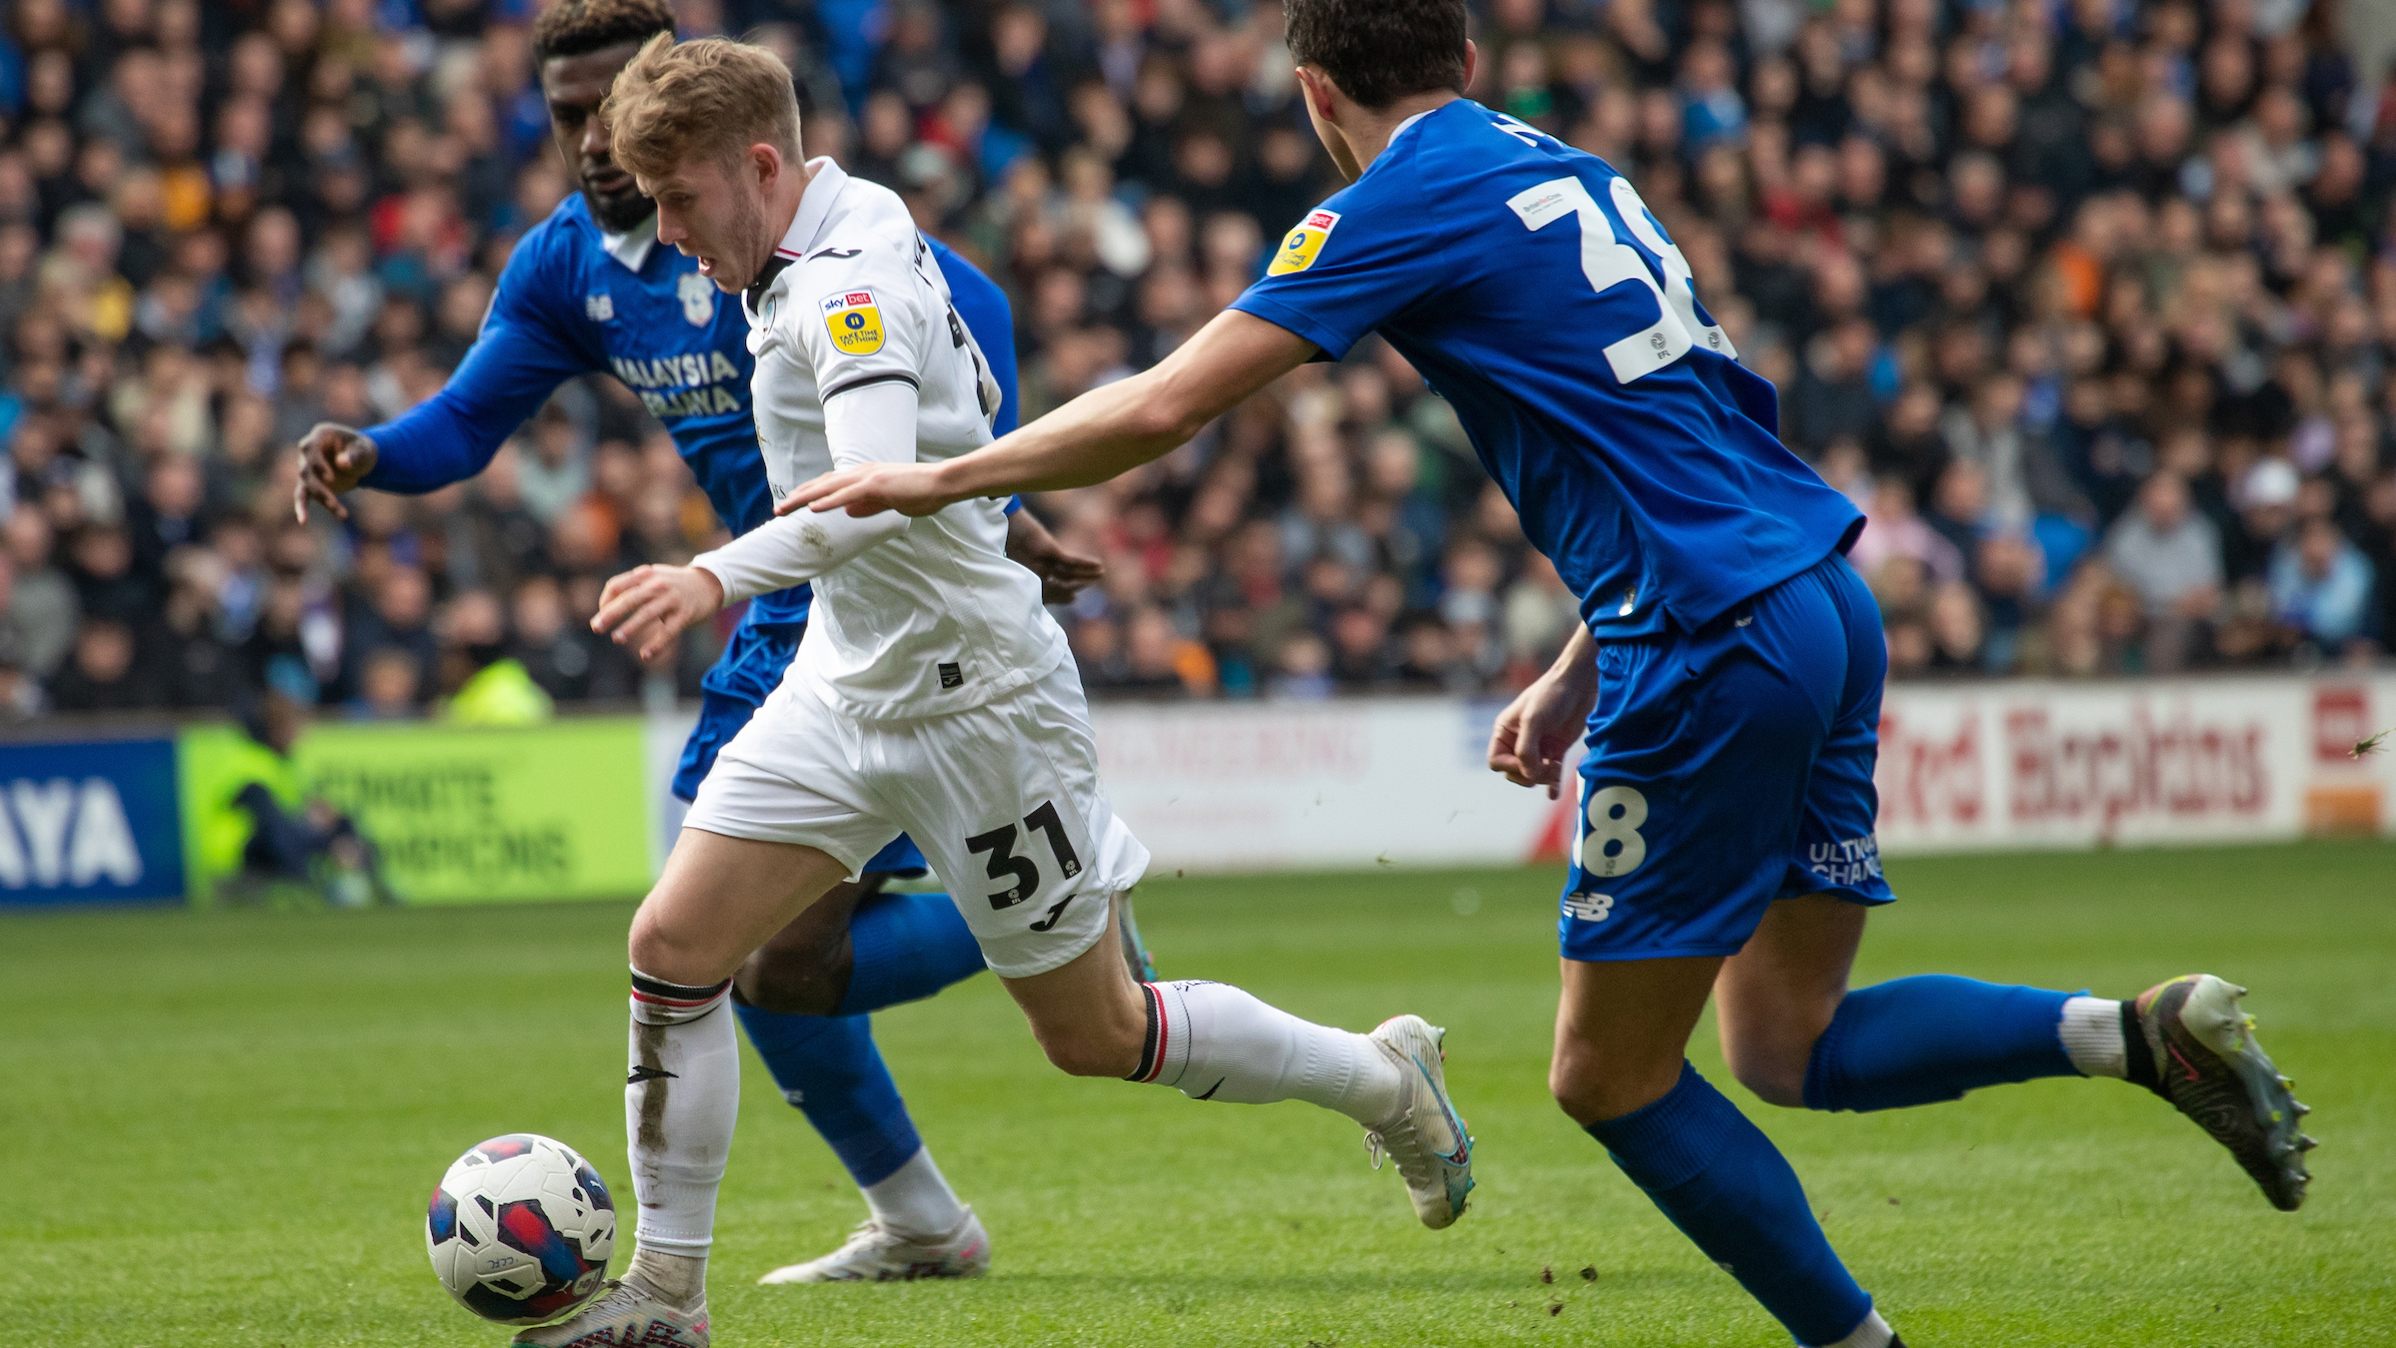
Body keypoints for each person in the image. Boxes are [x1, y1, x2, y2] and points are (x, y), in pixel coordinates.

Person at [784, 3, 2316, 1345]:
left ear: (1319, 97)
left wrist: (942, 480)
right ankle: (2134, 1036)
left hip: (1709, 642)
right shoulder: (1574, 167)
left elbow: (1172, 403)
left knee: (1606, 1080)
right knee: (1790, 1047)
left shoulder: (1396, 196)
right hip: (1816, 597)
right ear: (1469, 55)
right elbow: (1703, 425)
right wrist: (1584, 656)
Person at [511, 34, 1476, 1348]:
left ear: (757, 163)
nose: (666, 230)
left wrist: (709, 573)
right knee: (674, 952)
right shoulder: (824, 223)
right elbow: (939, 437)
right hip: (845, 685)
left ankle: (1382, 1079)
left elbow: (863, 492)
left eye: (679, 198)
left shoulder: (845, 285)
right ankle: (668, 1301)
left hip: (979, 710)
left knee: (1098, 1033)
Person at [289, 0, 1108, 1287]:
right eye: (569, 115)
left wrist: (993, 505)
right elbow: (468, 417)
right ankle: (925, 1203)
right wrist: (374, 453)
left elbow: (964, 319)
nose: (596, 138)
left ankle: (1068, 933)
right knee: (751, 957)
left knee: (748, 952)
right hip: (774, 599)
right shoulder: (565, 266)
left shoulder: (794, 233)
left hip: (850, 582)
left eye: (617, 103)